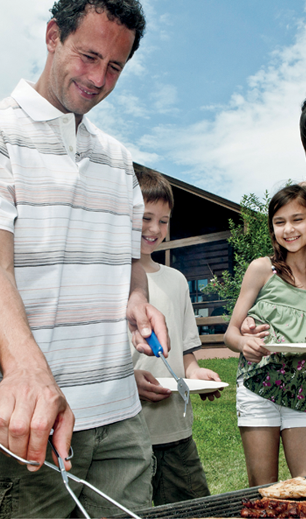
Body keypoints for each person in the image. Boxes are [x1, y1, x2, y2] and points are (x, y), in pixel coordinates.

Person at [0, 1, 169, 517]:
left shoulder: (118, 160)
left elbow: (128, 261)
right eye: (89, 56)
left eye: (114, 66)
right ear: (53, 35)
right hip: (24, 423)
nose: (98, 78)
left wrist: (137, 300)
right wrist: (28, 375)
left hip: (119, 417)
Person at [224, 184, 306, 488]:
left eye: (298, 219)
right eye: (279, 221)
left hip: (305, 394)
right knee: (263, 486)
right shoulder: (262, 269)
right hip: (259, 387)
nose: (289, 229)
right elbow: (231, 333)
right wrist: (245, 342)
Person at [131, 168, 220, 505]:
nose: (154, 229)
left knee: (193, 508)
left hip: (176, 431)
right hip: (127, 431)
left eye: (163, 221)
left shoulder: (177, 280)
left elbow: (186, 350)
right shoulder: (108, 278)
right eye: (145, 218)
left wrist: (196, 373)